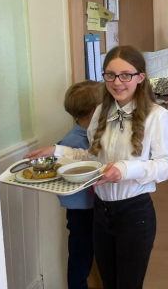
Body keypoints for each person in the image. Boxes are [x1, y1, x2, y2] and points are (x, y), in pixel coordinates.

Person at [26, 45, 168, 288]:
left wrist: (124, 170)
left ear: (140, 77)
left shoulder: (157, 116)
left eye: (125, 74)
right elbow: (92, 157)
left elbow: (165, 166)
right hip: (101, 214)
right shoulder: (100, 112)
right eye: (110, 74)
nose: (117, 82)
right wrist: (57, 151)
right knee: (108, 283)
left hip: (135, 214)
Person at [57, 80, 102, 289]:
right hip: (81, 212)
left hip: (94, 207)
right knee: (80, 260)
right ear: (96, 109)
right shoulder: (70, 143)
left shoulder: (94, 135)